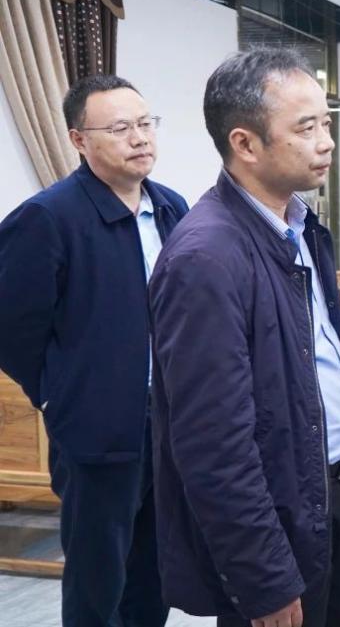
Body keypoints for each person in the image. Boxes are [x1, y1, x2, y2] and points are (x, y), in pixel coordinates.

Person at [148, 47, 340, 627]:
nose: (327, 142)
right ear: (245, 144)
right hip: (276, 518)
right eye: (306, 128)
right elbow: (212, 444)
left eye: (326, 123)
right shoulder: (206, 257)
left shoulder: (300, 227)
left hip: (327, 491)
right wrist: (263, 576)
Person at [0, 74, 186, 627]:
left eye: (146, 123)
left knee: (156, 572)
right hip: (97, 432)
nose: (140, 138)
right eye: (121, 128)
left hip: (170, 424)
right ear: (79, 140)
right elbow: (12, 327)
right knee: (98, 581)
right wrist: (58, 395)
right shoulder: (48, 217)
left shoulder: (171, 207)